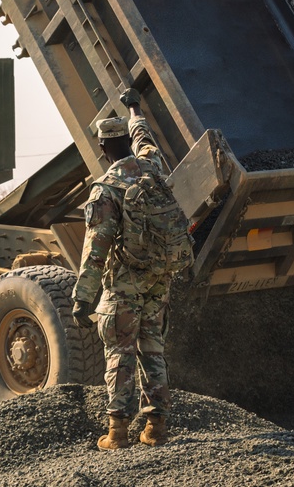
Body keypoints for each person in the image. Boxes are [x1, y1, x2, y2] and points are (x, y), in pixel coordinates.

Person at [71, 88, 191, 451]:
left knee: (119, 353)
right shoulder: (152, 166)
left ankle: (117, 432)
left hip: (124, 286)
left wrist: (83, 299)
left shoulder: (106, 189)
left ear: (104, 149)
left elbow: (95, 252)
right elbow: (145, 136)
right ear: (126, 141)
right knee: (153, 348)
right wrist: (134, 106)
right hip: (159, 280)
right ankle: (156, 428)